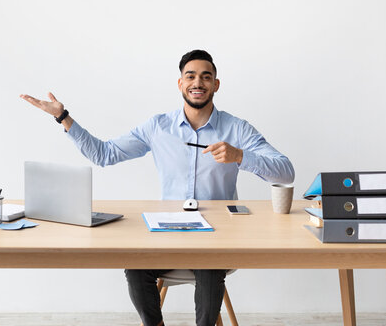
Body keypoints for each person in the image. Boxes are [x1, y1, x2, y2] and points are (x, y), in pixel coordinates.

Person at [20, 49, 295, 326]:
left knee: (210, 265)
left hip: (219, 235)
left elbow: (285, 172)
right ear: (180, 84)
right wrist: (63, 117)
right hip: (169, 230)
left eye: (205, 77)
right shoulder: (158, 127)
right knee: (135, 265)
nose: (197, 82)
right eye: (190, 76)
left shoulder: (237, 129)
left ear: (215, 85)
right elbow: (104, 154)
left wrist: (241, 156)